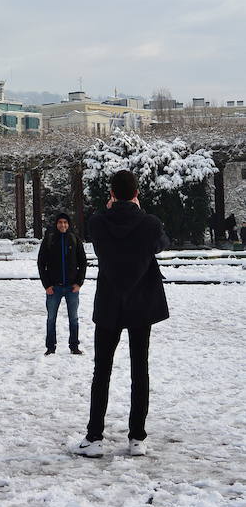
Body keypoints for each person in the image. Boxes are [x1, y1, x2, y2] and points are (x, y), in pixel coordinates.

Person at [79, 169, 169, 459]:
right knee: (139, 369)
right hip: (141, 304)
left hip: (109, 304)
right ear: (137, 193)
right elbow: (161, 244)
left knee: (101, 370)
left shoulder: (98, 222)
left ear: (111, 194)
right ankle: (137, 437)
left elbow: (96, 239)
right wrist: (139, 214)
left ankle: (94, 437)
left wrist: (110, 210)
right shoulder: (150, 224)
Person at [37, 212, 87, 355]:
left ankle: (74, 346)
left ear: (68, 224)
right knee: (51, 318)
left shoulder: (74, 238)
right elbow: (41, 263)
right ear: (56, 224)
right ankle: (50, 347)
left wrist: (79, 283)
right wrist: (47, 285)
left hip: (72, 287)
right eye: (60, 222)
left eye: (65, 222)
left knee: (74, 318)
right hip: (54, 288)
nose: (63, 225)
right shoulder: (50, 239)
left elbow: (83, 262)